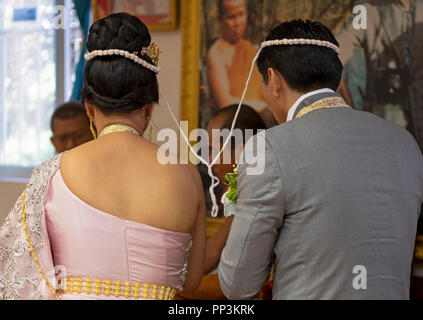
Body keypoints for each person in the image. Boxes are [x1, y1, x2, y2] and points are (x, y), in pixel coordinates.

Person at [0, 13, 206, 300]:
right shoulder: (187, 175)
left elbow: (16, 277)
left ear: (88, 106)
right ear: (148, 108)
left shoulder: (52, 174)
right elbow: (192, 279)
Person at [218, 19, 423, 299]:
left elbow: (237, 285)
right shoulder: (406, 144)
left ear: (274, 80)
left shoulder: (269, 148)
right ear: (337, 79)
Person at [178, 104, 268, 300]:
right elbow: (211, 253)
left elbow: (225, 280)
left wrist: (164, 287)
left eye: (216, 151)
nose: (210, 161)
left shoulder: (262, 196)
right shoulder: (242, 192)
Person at [206, 0, 275, 126]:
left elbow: (265, 92)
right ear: (220, 20)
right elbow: (225, 102)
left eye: (241, 15)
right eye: (231, 17)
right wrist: (262, 106)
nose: (237, 23)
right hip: (230, 126)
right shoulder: (216, 54)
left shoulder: (250, 49)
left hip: (258, 122)